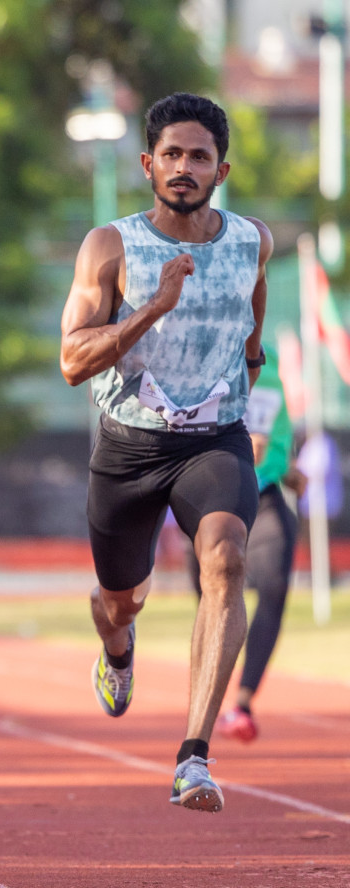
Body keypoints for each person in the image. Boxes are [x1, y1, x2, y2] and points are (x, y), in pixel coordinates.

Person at [59, 92, 271, 812]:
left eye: (199, 157)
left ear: (222, 169)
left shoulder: (253, 242)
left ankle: (194, 758)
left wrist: (247, 382)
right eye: (172, 155)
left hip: (213, 442)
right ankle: (117, 648)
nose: (185, 168)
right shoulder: (111, 246)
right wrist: (151, 307)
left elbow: (253, 331)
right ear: (148, 164)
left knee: (227, 558)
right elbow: (72, 361)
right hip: (128, 448)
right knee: (121, 601)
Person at [182, 348, 304, 742]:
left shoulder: (271, 382)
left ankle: (244, 702)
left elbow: (275, 445)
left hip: (264, 496)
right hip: (215, 495)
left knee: (274, 589)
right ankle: (210, 691)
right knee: (211, 596)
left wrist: (289, 471)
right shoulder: (199, 365)